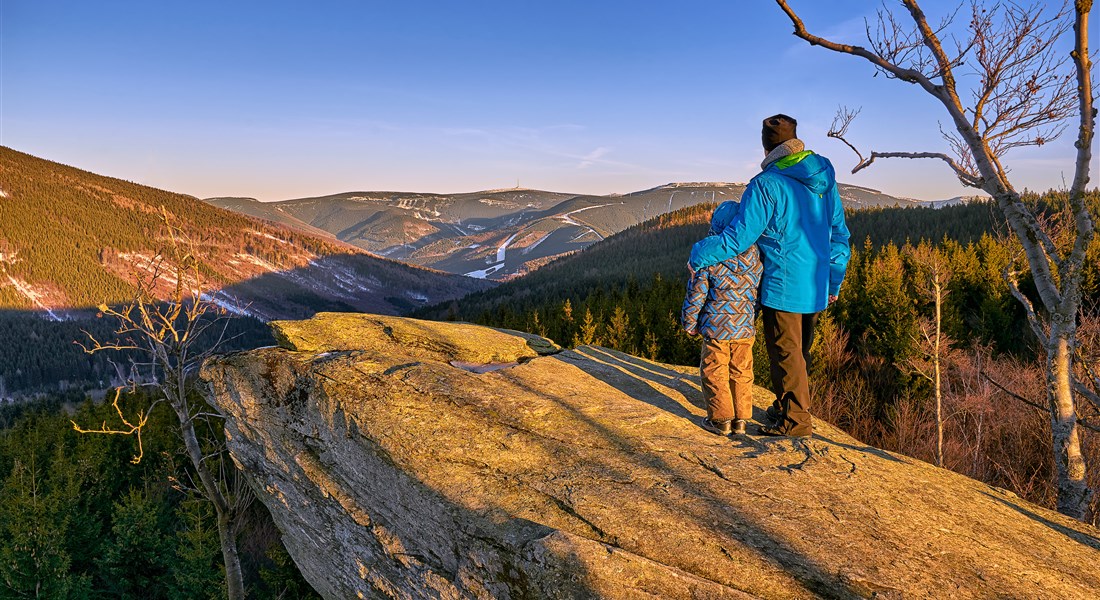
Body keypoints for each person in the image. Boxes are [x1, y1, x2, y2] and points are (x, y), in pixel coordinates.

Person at [688, 114, 850, 437]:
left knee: (785, 355)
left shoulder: (765, 186)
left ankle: (795, 422)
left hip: (783, 286)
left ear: (767, 147)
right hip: (816, 285)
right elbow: (839, 235)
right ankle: (786, 407)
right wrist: (834, 280)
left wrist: (699, 254)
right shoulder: (823, 180)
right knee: (799, 354)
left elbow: (737, 239)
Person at [681, 201, 763, 436]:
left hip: (717, 328)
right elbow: (756, 296)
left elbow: (696, 294)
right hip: (744, 327)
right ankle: (741, 420)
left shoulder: (709, 258)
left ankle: (720, 419)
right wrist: (750, 318)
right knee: (742, 371)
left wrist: (690, 323)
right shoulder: (756, 258)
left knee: (714, 370)